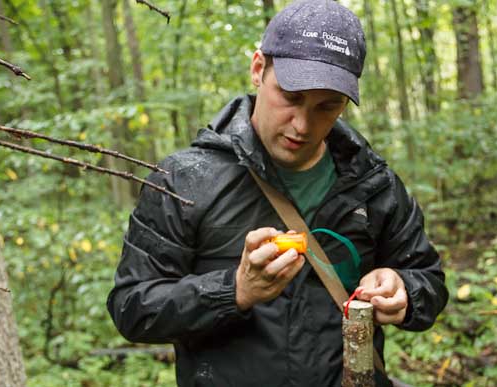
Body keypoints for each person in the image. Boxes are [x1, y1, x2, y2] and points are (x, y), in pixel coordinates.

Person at [107, 1, 448, 386]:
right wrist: (234, 291)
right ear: (258, 69)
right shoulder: (185, 180)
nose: (302, 125)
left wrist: (405, 291)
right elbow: (131, 307)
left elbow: (429, 282)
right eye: (291, 96)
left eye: (327, 106)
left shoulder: (372, 185)